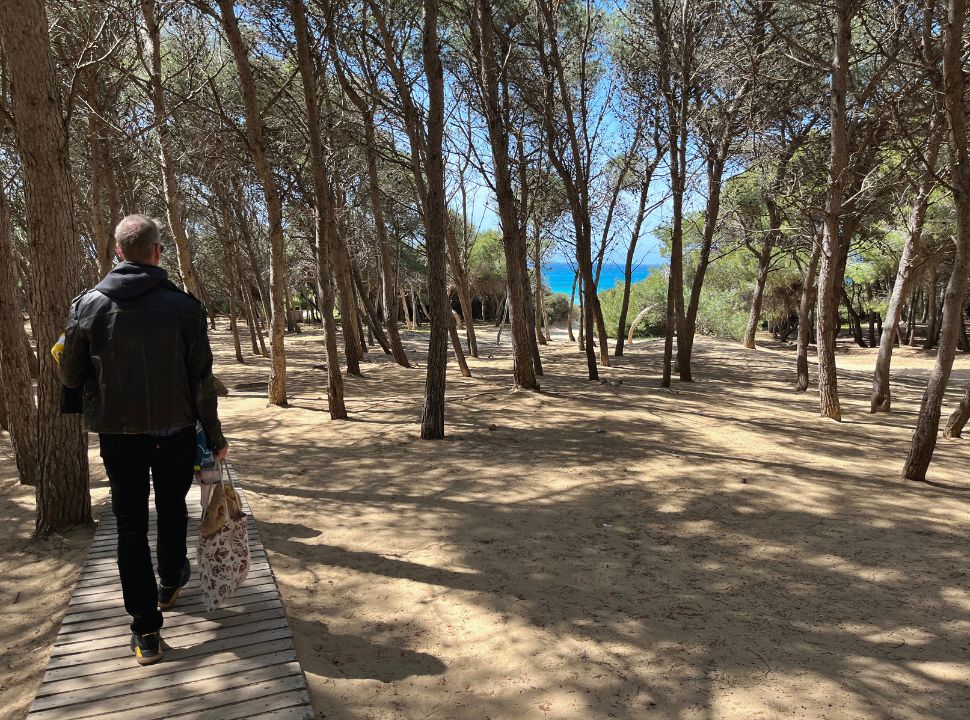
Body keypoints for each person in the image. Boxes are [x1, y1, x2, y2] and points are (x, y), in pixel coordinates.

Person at [60, 214, 228, 665]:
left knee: (131, 526)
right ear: (157, 252)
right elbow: (201, 382)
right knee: (172, 507)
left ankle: (146, 631)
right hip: (174, 432)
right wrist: (215, 437)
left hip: (119, 436)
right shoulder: (185, 307)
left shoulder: (87, 306)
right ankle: (171, 579)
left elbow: (70, 375)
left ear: (118, 253)